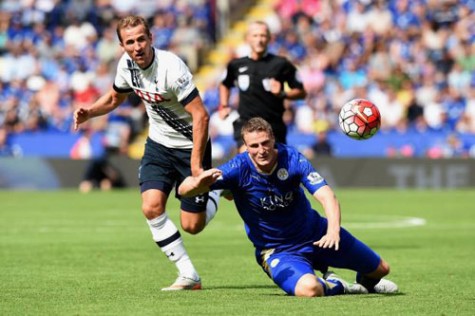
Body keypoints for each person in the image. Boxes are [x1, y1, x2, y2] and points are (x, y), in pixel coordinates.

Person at [73, 15, 220, 291]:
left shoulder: (171, 67)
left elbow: (201, 116)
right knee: (151, 207)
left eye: (141, 39)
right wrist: (90, 111)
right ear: (122, 45)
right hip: (158, 145)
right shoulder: (126, 67)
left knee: (192, 225)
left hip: (192, 146)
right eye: (130, 42)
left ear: (151, 38)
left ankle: (217, 190)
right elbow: (116, 98)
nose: (137, 46)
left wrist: (197, 167)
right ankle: (188, 274)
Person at [178, 117, 398, 297]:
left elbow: (327, 196)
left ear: (273, 139)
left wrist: (332, 230)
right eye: (254, 146)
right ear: (246, 146)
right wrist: (196, 183)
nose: (261, 150)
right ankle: (337, 284)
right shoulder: (237, 168)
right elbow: (184, 190)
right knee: (310, 289)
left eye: (265, 143)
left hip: (317, 233)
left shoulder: (291, 158)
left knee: (381, 269)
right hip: (279, 250)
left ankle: (366, 285)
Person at [219, 20, 307, 152]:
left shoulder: (281, 64)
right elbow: (225, 84)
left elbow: (301, 92)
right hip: (246, 124)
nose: (259, 40)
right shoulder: (236, 65)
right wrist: (224, 105)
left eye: (263, 35)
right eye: (255, 35)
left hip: (273, 126)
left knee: (271, 167)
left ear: (269, 39)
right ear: (247, 38)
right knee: (248, 156)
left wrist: (283, 94)